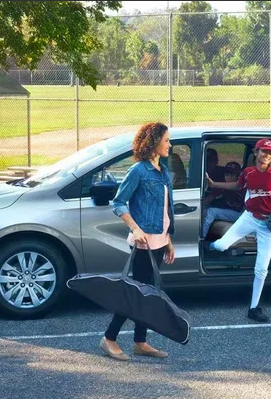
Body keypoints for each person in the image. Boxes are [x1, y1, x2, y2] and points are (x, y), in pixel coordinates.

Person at [101, 122, 176, 361]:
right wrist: (135, 228)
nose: (170, 145)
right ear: (154, 142)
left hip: (160, 241)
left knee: (148, 294)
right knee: (135, 295)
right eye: (166, 141)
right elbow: (119, 202)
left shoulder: (162, 170)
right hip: (143, 243)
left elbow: (165, 209)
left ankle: (140, 342)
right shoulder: (139, 171)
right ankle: (109, 338)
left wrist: (169, 239)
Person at [206, 139, 271, 323]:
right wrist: (214, 184)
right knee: (221, 246)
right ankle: (210, 246)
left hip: (267, 223)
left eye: (270, 153)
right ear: (256, 152)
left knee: (261, 269)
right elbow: (237, 186)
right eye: (263, 152)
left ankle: (253, 308)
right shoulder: (248, 172)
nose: (267, 156)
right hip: (248, 217)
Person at [201, 161, 245, 238]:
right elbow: (209, 199)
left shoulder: (241, 187)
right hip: (229, 212)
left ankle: (201, 238)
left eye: (232, 175)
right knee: (203, 211)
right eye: (226, 174)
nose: (228, 177)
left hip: (241, 214)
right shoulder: (222, 187)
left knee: (212, 212)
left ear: (238, 176)